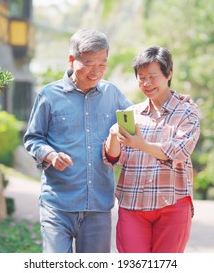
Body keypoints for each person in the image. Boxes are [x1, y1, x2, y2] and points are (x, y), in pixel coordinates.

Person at [23, 29, 132, 253]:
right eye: (90, 63)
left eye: (103, 64)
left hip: (98, 206)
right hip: (58, 204)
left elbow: (138, 119)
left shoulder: (112, 94)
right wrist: (50, 155)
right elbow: (33, 138)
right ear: (72, 60)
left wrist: (168, 99)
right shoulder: (49, 95)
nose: (97, 71)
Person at [103, 46, 200, 253]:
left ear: (169, 74)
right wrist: (113, 135)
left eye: (152, 76)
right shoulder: (132, 113)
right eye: (141, 77)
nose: (146, 83)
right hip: (133, 204)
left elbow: (180, 152)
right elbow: (113, 158)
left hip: (172, 203)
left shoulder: (187, 112)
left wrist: (142, 145)